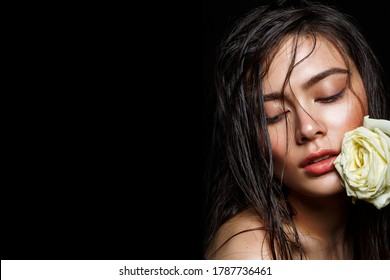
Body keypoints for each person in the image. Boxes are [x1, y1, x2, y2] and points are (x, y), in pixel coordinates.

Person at [202, 0, 390, 260]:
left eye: (329, 95)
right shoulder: (253, 251)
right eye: (273, 116)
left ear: (369, 90)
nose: (308, 128)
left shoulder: (364, 233)